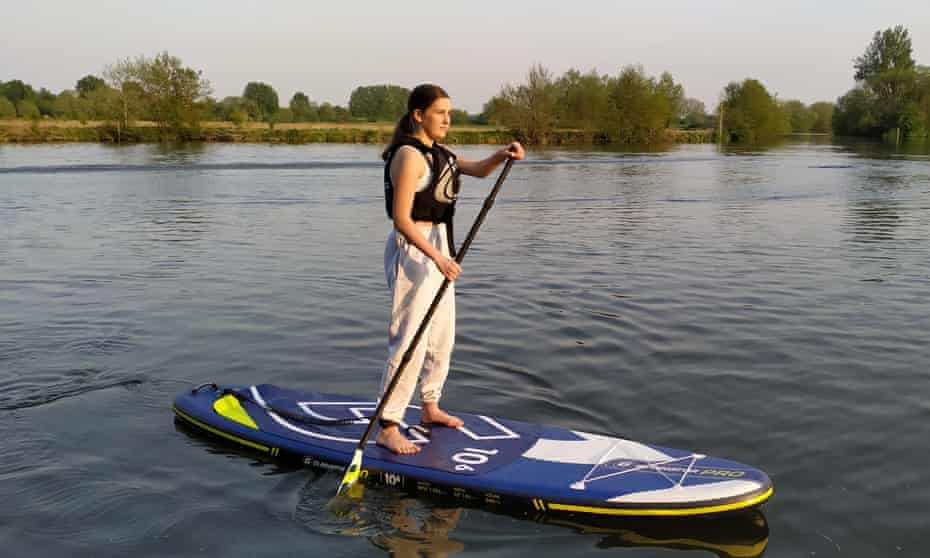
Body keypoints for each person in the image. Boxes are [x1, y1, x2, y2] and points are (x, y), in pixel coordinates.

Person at [378, 84, 524, 454]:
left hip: (441, 248)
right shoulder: (409, 156)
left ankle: (429, 407)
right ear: (418, 115)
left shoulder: (439, 152)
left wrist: (501, 155)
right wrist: (437, 257)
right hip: (415, 250)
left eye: (449, 112)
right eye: (440, 112)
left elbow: (475, 170)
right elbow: (401, 219)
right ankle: (389, 424)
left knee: (442, 334)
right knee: (411, 338)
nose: (447, 119)